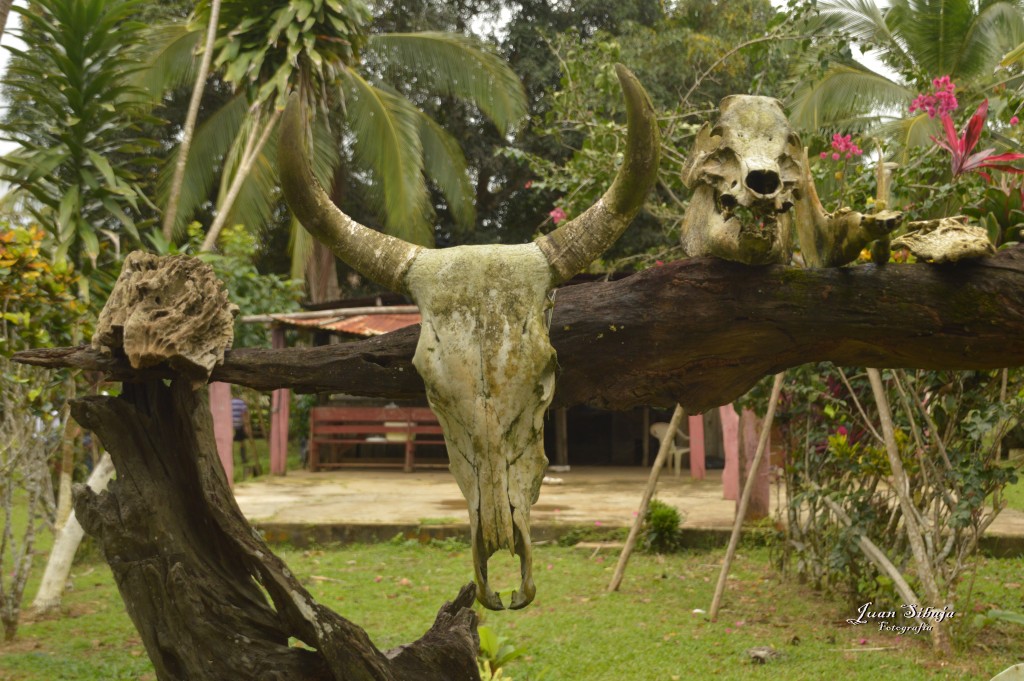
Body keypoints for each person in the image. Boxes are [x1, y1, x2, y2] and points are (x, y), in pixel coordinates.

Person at [231, 397, 251, 464]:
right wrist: (246, 425)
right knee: (242, 442)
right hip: (239, 425)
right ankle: (243, 459)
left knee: (231, 444)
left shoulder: (229, 402)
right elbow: (244, 414)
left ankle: (232, 460)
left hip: (230, 426)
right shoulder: (241, 403)